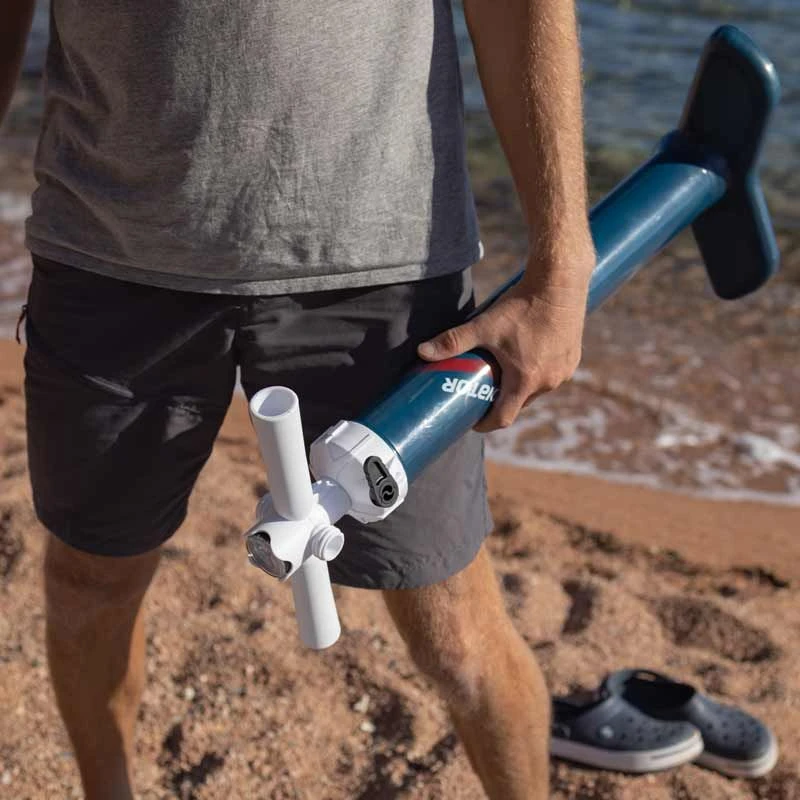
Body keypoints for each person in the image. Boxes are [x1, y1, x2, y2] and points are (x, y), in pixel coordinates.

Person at [1, 1, 595, 797]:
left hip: (380, 260)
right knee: (89, 584)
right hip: (109, 247)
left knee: (453, 629)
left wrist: (563, 262)